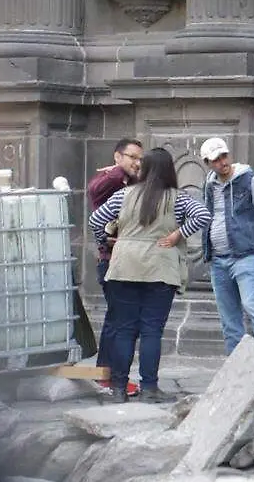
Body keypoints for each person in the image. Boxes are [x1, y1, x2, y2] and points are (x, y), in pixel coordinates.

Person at [89, 147, 210, 403]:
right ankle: (150, 388)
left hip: (124, 267)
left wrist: (107, 241)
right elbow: (203, 215)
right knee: (152, 331)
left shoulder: (124, 194)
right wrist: (178, 234)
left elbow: (95, 220)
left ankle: (119, 388)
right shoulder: (178, 198)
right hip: (161, 269)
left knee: (124, 330)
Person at [199, 137, 254, 355]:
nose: (222, 162)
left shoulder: (251, 179)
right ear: (208, 163)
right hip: (218, 259)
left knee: (252, 305)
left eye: (224, 156)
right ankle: (235, 364)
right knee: (228, 317)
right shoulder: (209, 184)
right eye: (216, 159)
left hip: (247, 255)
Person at [86, 137, 144, 396]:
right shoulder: (109, 179)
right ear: (117, 156)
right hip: (110, 260)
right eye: (132, 157)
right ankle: (109, 377)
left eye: (139, 158)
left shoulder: (129, 182)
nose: (137, 162)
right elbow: (94, 189)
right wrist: (119, 171)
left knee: (117, 319)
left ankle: (106, 375)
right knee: (120, 321)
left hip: (127, 258)